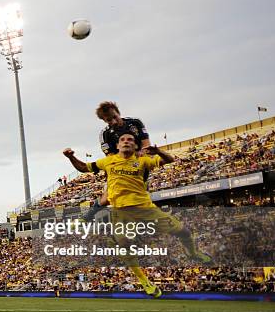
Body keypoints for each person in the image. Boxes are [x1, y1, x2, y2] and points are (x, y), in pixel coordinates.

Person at [63, 132, 211, 298]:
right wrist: (71, 157)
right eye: (122, 139)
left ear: (135, 146)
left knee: (183, 232)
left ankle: (192, 253)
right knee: (124, 245)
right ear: (117, 146)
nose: (126, 141)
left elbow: (170, 160)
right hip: (121, 212)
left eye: (130, 140)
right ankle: (144, 281)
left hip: (145, 209)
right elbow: (84, 168)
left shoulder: (142, 161)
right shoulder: (108, 161)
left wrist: (159, 151)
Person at [85, 102, 151, 221]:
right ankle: (88, 216)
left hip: (139, 166)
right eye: (109, 120)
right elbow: (112, 159)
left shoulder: (135, 123)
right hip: (119, 168)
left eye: (115, 117)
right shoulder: (105, 134)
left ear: (118, 112)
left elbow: (147, 145)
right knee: (107, 199)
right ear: (105, 121)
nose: (114, 122)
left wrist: (141, 153)